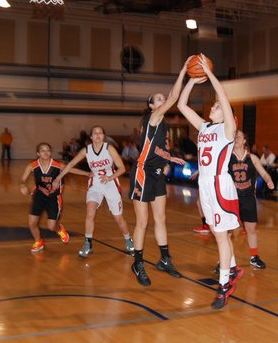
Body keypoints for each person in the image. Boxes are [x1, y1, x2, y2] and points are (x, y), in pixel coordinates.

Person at [178, 54, 242, 310]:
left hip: (219, 185)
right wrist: (192, 77)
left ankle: (225, 284)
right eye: (213, 107)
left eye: (216, 107)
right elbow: (182, 106)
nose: (213, 107)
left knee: (220, 236)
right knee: (218, 233)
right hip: (204, 185)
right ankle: (234, 268)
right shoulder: (204, 127)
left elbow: (224, 98)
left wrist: (211, 75)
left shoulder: (228, 130)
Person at [128, 60, 188, 287]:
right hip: (142, 172)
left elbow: (156, 148)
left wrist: (169, 157)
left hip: (156, 173)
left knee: (161, 218)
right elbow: (173, 98)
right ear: (152, 106)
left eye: (164, 97)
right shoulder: (152, 119)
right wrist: (183, 71)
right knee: (142, 222)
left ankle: (164, 259)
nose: (164, 100)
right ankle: (138, 263)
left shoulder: (162, 123)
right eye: (159, 99)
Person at [53, 126, 134, 257]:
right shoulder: (86, 150)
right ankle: (88, 243)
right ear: (91, 137)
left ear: (104, 136)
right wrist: (58, 178)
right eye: (95, 133)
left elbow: (122, 168)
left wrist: (110, 177)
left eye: (100, 133)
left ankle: (128, 239)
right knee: (90, 213)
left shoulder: (109, 148)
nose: (98, 135)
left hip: (110, 183)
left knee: (118, 218)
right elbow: (70, 164)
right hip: (95, 183)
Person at [19, 142, 91, 254]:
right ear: (38, 153)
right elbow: (22, 179)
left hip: (53, 198)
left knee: (51, 226)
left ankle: (60, 229)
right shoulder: (32, 165)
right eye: (42, 150)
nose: (46, 152)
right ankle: (38, 241)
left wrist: (87, 174)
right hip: (38, 196)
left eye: (48, 150)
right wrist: (22, 185)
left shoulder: (57, 165)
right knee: (32, 223)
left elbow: (71, 169)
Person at [229, 130, 274, 269]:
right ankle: (224, 261)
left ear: (244, 141)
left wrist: (268, 180)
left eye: (239, 136)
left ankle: (254, 257)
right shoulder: (227, 157)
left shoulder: (252, 158)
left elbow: (264, 173)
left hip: (248, 197)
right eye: (234, 136)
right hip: (232, 198)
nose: (236, 138)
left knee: (251, 228)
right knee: (227, 231)